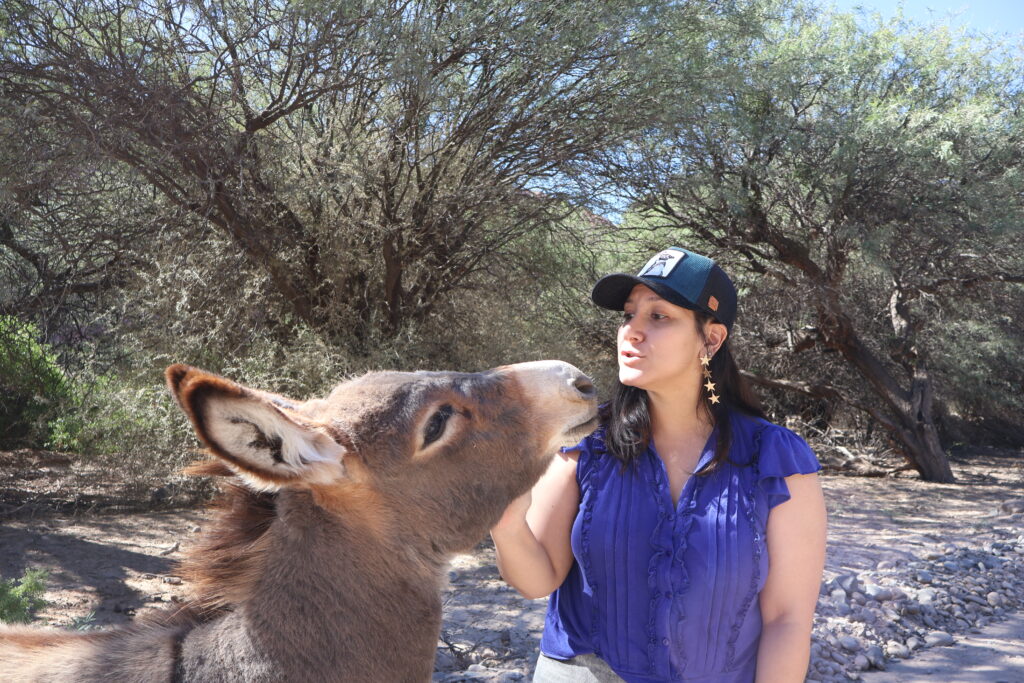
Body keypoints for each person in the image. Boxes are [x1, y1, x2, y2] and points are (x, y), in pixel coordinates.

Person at [490, 247, 827, 683]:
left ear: (711, 339)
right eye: (628, 315)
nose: (631, 332)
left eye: (659, 317)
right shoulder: (587, 442)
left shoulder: (775, 460)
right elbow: (535, 580)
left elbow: (787, 620)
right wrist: (504, 520)